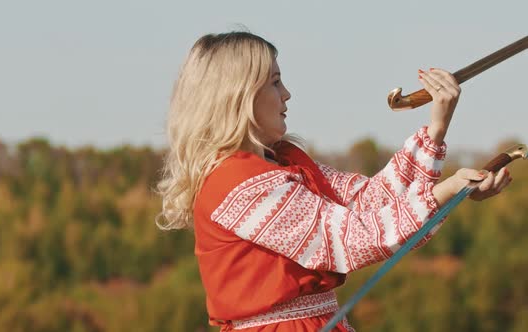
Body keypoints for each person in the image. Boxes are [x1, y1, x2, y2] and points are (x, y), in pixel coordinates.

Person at [155, 31, 512, 331]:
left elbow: (374, 201)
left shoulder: (281, 162)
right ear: (239, 95)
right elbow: (348, 239)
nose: (287, 94)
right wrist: (444, 191)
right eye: (275, 82)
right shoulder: (235, 180)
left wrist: (437, 128)